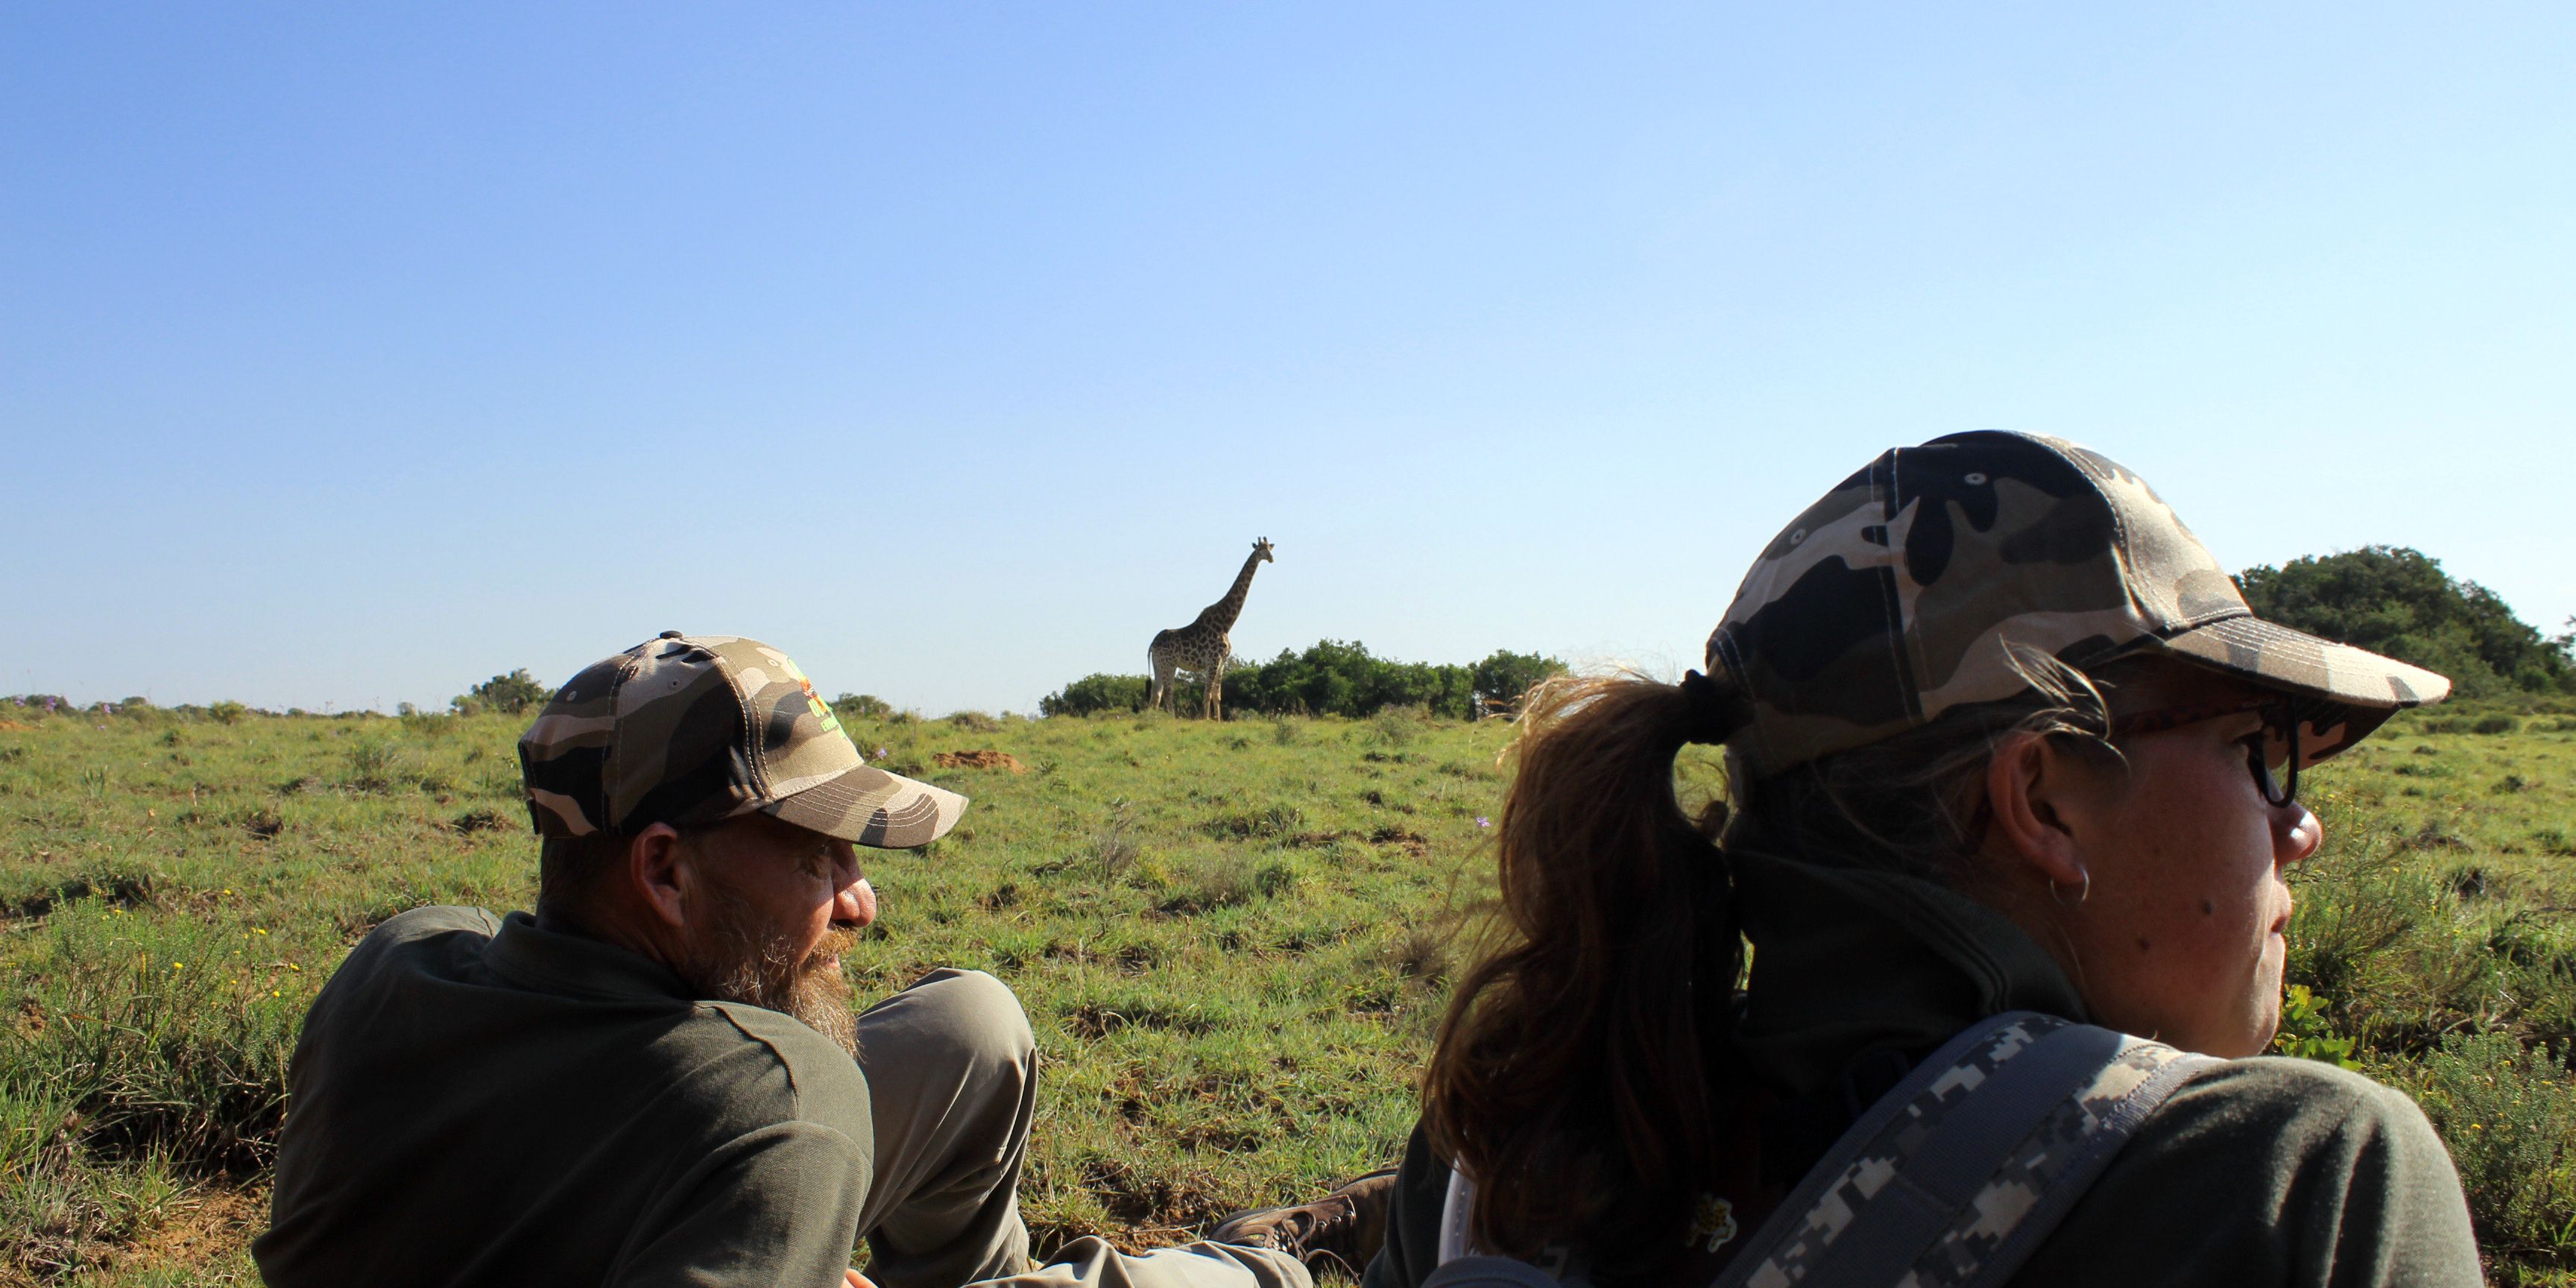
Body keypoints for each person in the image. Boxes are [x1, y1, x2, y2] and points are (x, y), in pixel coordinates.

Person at [1327, 432, 2482, 1287]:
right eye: (2256, 747)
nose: (2299, 824)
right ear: (2043, 801)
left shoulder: (1494, 1168)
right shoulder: (2297, 1188)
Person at [255, 632, 1318, 1288]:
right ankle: (1277, 1261)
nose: (861, 901)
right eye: (818, 857)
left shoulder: (395, 963)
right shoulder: (781, 1103)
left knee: (970, 1026)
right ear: (664, 871)